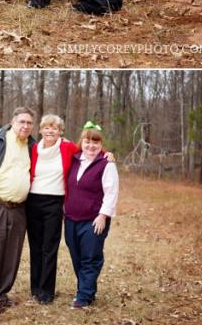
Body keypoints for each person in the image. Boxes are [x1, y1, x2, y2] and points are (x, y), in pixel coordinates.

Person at [27, 115, 114, 305]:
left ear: (61, 131)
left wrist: (107, 154)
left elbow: (90, 149)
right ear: (40, 130)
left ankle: (47, 292)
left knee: (49, 247)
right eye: (46, 127)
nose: (50, 131)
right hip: (33, 201)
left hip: (55, 202)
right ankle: (35, 288)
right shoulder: (33, 148)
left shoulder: (66, 147)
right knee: (35, 247)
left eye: (54, 128)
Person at [0, 106, 36, 312]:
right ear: (13, 121)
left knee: (12, 254)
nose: (25, 126)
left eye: (29, 123)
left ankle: (2, 293)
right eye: (22, 122)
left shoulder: (32, 144)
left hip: (19, 208)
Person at [63, 122, 119, 308]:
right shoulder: (74, 159)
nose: (91, 146)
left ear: (101, 145)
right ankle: (87, 290)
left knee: (90, 257)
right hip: (71, 218)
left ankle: (84, 297)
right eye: (87, 141)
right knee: (76, 256)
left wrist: (103, 216)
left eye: (96, 142)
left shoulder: (106, 164)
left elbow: (111, 192)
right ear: (82, 142)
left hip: (93, 220)